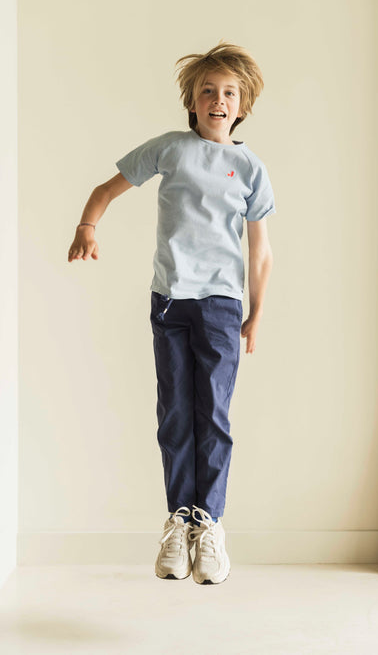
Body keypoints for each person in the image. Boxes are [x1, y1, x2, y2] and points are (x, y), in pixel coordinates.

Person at [67, 42, 275, 585]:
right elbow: (105, 189)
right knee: (176, 413)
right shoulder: (170, 149)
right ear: (191, 100)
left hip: (223, 305)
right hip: (170, 301)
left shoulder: (249, 167)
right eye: (207, 90)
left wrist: (256, 313)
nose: (218, 100)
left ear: (243, 105)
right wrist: (87, 227)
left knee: (214, 415)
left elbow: (260, 251)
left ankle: (210, 524)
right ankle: (179, 522)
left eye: (229, 93)